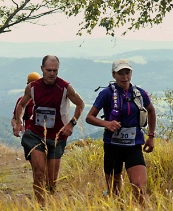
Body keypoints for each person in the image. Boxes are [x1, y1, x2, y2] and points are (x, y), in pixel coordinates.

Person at [13, 55, 85, 206]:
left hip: (58, 136)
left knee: (51, 181)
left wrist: (72, 123)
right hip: (36, 134)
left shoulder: (65, 87)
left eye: (55, 70)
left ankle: (48, 196)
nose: (52, 73)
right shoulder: (33, 87)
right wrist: (19, 121)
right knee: (39, 172)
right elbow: (21, 105)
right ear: (42, 69)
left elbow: (80, 104)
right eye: (48, 70)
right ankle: (41, 206)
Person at [85, 59, 156, 205]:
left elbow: (151, 110)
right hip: (113, 146)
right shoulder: (106, 94)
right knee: (114, 191)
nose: (125, 77)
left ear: (131, 73)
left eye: (127, 72)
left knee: (139, 188)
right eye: (120, 73)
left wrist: (151, 136)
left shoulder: (139, 93)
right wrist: (106, 123)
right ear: (114, 75)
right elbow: (89, 117)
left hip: (133, 146)